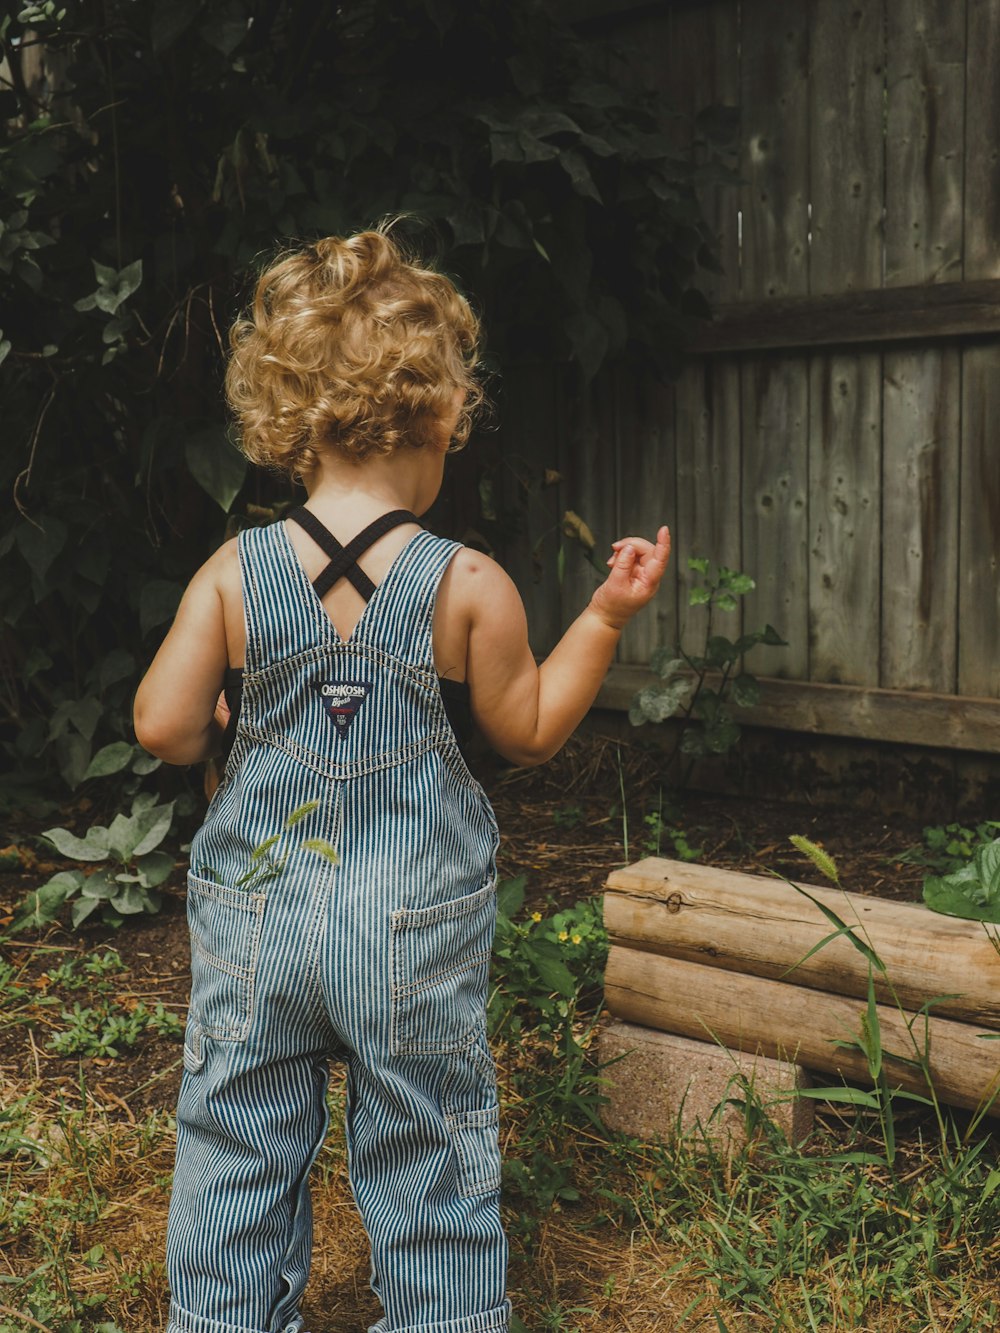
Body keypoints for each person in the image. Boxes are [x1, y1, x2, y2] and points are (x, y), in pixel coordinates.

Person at [133, 226, 671, 1333]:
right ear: (435, 418)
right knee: (427, 1133)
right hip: (409, 927)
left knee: (237, 1132)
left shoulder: (235, 571)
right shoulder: (466, 582)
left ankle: (226, 1318)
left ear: (289, 421)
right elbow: (526, 731)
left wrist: (222, 721)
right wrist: (605, 617)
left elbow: (161, 725)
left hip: (259, 919)